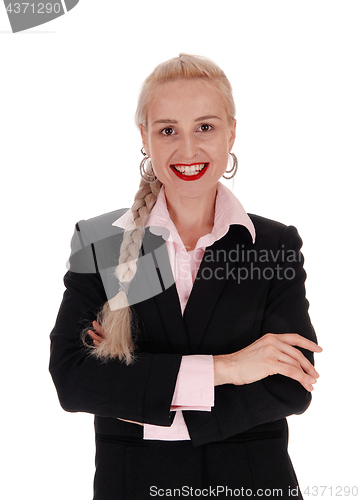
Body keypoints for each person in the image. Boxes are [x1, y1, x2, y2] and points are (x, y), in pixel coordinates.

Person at [49, 54, 322, 499]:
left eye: (206, 127)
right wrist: (231, 368)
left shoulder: (273, 244)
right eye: (169, 130)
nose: (189, 150)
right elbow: (74, 379)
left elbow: (292, 384)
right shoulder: (101, 242)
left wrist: (146, 400)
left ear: (232, 131)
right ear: (145, 137)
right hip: (135, 487)